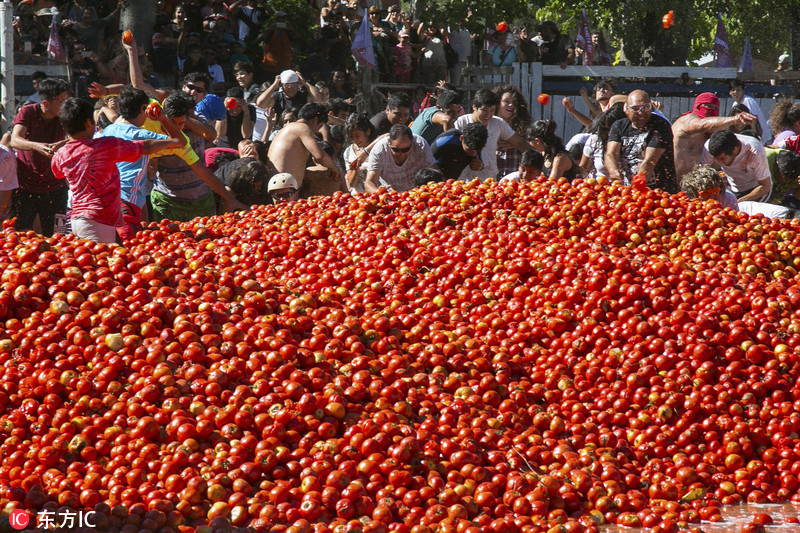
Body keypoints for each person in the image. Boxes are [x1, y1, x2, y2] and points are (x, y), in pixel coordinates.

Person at [52, 97, 183, 243]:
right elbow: (149, 146)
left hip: (76, 219)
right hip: (99, 220)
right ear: (89, 123)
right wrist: (170, 135)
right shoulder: (105, 146)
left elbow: (57, 172)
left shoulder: (61, 153)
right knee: (103, 262)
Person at [99, 86, 200, 239]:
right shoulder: (141, 135)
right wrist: (162, 118)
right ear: (143, 109)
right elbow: (179, 141)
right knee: (127, 251)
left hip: (104, 200)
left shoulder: (108, 130)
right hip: (126, 202)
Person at [151, 92, 247, 222]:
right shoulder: (156, 129)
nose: (177, 127)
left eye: (181, 123)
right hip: (168, 200)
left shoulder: (195, 119)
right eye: (172, 122)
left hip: (200, 198)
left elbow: (212, 135)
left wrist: (187, 120)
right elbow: (151, 169)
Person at [9, 78, 70, 237]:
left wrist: (62, 143)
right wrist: (37, 146)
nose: (65, 105)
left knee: (59, 235)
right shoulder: (28, 111)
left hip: (56, 187)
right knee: (20, 234)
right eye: (61, 101)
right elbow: (15, 140)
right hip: (25, 185)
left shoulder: (65, 116)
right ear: (46, 103)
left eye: (66, 100)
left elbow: (78, 137)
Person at [604, 90, 677, 193]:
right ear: (626, 108)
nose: (641, 112)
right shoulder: (619, 126)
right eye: (635, 108)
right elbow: (610, 154)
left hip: (658, 191)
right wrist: (615, 174)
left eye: (645, 107)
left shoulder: (660, 125)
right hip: (627, 190)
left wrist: (637, 186)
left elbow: (650, 160)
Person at [671, 92, 757, 180]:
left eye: (715, 108)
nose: (711, 110)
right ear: (697, 106)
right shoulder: (686, 120)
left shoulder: (715, 133)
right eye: (707, 106)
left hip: (699, 186)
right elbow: (702, 124)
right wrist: (735, 119)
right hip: (674, 183)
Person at [454, 89, 533, 181]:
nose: (488, 115)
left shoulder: (498, 123)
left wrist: (534, 160)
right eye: (485, 110)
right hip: (462, 181)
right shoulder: (461, 123)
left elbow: (519, 143)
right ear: (474, 107)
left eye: (492, 111)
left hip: (489, 181)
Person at [267, 103, 342, 189]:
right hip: (284, 187)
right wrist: (334, 167)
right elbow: (320, 156)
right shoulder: (302, 128)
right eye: (320, 126)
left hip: (281, 185)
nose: (317, 131)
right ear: (315, 120)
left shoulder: (287, 129)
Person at [701, 130, 771, 203]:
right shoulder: (709, 146)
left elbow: (765, 187)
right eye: (716, 159)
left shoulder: (755, 152)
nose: (720, 163)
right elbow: (701, 172)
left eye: (722, 159)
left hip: (757, 189)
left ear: (735, 149)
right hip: (735, 188)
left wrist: (737, 202)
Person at [364, 125, 437, 193]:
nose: (401, 154)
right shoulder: (379, 150)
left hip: (417, 194)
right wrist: (379, 193)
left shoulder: (420, 144)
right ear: (389, 142)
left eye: (406, 149)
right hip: (391, 197)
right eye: (396, 150)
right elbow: (369, 182)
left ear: (412, 142)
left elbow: (434, 171)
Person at [493, 85, 532, 178]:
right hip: (493, 178)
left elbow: (533, 151)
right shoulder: (490, 124)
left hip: (516, 178)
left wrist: (517, 143)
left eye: (514, 102)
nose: (511, 105)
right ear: (498, 103)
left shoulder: (526, 126)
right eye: (506, 101)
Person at [579, 103, 626, 179]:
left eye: (612, 130)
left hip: (625, 189)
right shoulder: (595, 140)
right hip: (599, 188)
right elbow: (582, 168)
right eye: (605, 129)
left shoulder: (631, 141)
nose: (608, 133)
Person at [257, 69, 322, 119]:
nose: (290, 88)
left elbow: (319, 100)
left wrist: (305, 83)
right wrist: (274, 85)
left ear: (298, 83)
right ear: (281, 85)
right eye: (287, 85)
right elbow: (260, 103)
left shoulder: (303, 96)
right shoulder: (277, 97)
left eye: (293, 84)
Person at [343, 113, 379, 194]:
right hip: (359, 197)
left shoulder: (380, 145)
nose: (355, 140)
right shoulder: (349, 152)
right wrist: (356, 168)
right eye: (351, 137)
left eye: (357, 135)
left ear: (368, 132)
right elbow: (352, 184)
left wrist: (365, 152)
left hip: (378, 194)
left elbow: (387, 136)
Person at [728, 79, 772, 143]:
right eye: (733, 90)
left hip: (761, 138)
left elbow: (753, 121)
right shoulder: (735, 104)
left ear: (743, 90)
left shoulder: (748, 101)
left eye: (738, 90)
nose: (736, 92)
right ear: (730, 93)